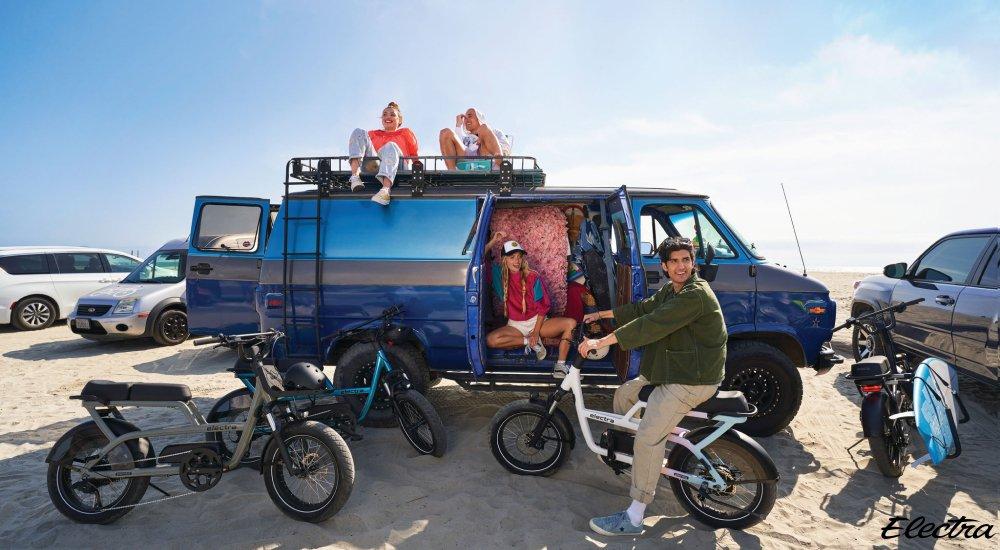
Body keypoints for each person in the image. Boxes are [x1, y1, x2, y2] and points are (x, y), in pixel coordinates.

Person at [577, 237, 727, 536]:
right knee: (625, 395)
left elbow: (650, 324)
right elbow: (644, 308)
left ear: (692, 262)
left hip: (692, 379)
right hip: (672, 370)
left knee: (647, 437)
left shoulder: (693, 295)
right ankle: (637, 461)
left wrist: (601, 341)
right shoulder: (673, 290)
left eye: (686, 260)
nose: (681, 266)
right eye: (674, 261)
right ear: (665, 266)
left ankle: (634, 517)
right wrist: (601, 314)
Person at [484, 232, 577, 378]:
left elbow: (543, 307)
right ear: (504, 259)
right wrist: (493, 241)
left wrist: (535, 332)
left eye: (519, 257)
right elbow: (477, 259)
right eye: (512, 257)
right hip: (515, 326)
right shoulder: (498, 275)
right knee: (491, 340)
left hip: (537, 323)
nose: (517, 261)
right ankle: (530, 343)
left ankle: (560, 366)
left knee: (570, 323)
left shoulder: (532, 276)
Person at [347, 101, 419, 206]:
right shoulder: (372, 134)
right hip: (376, 166)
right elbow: (360, 148)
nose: (387, 117)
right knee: (359, 132)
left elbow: (414, 155)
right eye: (384, 114)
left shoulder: (405, 132)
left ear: (399, 120)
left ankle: (385, 191)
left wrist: (417, 173)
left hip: (399, 166)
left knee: (390, 146)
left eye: (392, 115)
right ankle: (355, 177)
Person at [438, 108, 512, 170]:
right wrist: (458, 125)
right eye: (465, 118)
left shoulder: (493, 132)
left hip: (488, 160)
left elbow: (506, 148)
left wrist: (483, 140)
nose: (466, 120)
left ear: (479, 119)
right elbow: (457, 145)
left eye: (469, 116)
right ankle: (452, 173)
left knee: (483, 128)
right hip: (466, 161)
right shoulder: (465, 138)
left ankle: (502, 165)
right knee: (445, 132)